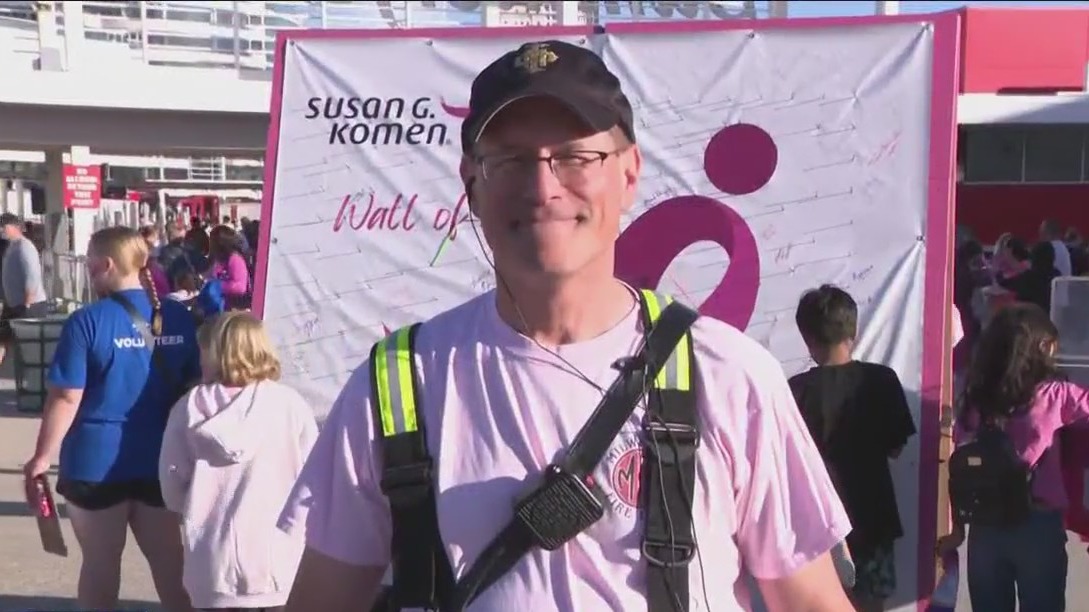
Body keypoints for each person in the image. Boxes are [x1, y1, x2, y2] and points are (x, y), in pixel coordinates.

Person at [279, 40, 853, 612]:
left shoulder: (728, 374)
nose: (543, 187)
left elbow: (812, 603)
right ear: (471, 183)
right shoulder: (395, 386)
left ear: (629, 173)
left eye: (576, 157)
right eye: (510, 160)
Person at [22, 225, 200, 611]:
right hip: (161, 458)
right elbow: (195, 387)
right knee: (172, 566)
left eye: (89, 263)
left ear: (105, 265)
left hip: (95, 462)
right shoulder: (178, 318)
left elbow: (67, 397)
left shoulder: (87, 321)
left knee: (101, 567)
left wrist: (42, 457)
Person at [160, 311, 318, 612]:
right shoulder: (291, 406)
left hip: (212, 568)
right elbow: (314, 481)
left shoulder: (187, 409)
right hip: (278, 563)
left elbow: (171, 489)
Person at [937, 303, 1089, 612]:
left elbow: (955, 449)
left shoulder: (976, 399)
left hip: (984, 525)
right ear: (1042, 348)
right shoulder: (1056, 396)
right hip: (1037, 523)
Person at [788, 285, 916, 612]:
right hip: (873, 518)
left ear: (807, 338)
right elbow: (896, 448)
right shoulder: (881, 381)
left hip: (816, 524)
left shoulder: (795, 391)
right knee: (871, 603)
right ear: (853, 331)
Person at [0, 212, 47, 361]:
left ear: (12, 227)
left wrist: (27, 304)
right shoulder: (12, 247)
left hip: (28, 306)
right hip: (13, 305)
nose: (1, 230)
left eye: (3, 227)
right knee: (2, 339)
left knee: (26, 345)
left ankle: (31, 369)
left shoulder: (25, 247)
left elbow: (31, 275)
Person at [208, 225, 250, 310]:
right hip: (222, 304)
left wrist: (219, 286)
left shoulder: (235, 259)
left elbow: (240, 287)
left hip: (236, 307)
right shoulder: (219, 259)